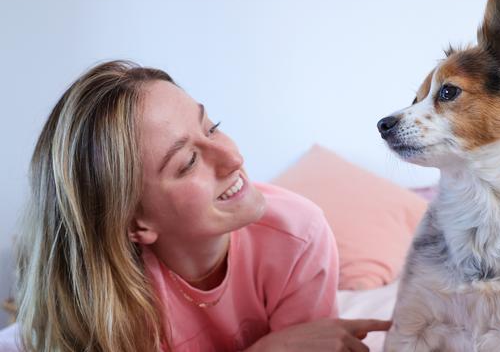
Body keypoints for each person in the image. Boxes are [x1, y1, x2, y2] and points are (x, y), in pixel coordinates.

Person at [15, 60, 391, 352]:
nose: (232, 156)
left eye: (212, 127)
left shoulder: (298, 234)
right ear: (136, 224)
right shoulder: (102, 296)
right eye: (188, 162)